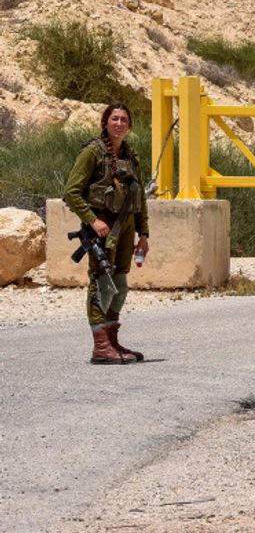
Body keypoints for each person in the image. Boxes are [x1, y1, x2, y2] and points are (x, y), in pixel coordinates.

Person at [63, 102, 150, 364]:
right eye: (114, 119)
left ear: (130, 125)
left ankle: (112, 341)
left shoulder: (131, 156)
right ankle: (100, 346)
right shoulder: (92, 153)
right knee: (103, 284)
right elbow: (71, 192)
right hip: (102, 228)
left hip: (126, 228)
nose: (119, 123)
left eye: (124, 119)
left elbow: (140, 200)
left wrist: (143, 235)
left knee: (120, 287)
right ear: (105, 122)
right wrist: (91, 220)